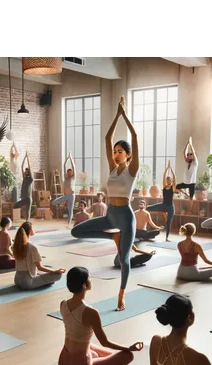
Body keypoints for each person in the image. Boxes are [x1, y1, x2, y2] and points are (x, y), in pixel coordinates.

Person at [71, 96, 139, 311]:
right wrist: (116, 115)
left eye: (120, 151)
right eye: (115, 151)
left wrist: (125, 115)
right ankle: (113, 236)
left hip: (126, 217)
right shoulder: (112, 167)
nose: (116, 154)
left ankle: (121, 294)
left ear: (128, 156)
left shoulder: (132, 169)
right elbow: (107, 137)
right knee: (76, 232)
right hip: (111, 215)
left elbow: (135, 136)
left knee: (124, 259)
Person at [58, 267, 143, 365]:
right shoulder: (90, 312)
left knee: (87, 344)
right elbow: (105, 342)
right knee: (128, 356)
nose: (91, 280)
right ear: (84, 285)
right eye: (89, 278)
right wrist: (128, 348)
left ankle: (97, 357)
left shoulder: (63, 304)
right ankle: (99, 358)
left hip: (63, 363)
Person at [12, 221, 65, 290]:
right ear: (30, 231)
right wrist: (55, 271)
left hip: (17, 279)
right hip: (27, 282)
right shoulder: (32, 247)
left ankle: (45, 281)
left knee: (43, 271)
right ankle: (47, 281)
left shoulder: (16, 246)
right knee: (58, 275)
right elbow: (40, 267)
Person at [146, 161, 176, 241]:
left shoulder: (173, 188)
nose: (169, 181)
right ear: (166, 181)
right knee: (148, 208)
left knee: (168, 222)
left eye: (170, 180)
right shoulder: (164, 186)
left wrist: (172, 170)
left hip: (170, 207)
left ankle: (167, 237)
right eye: (168, 180)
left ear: (172, 181)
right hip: (164, 205)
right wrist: (167, 169)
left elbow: (175, 178)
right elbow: (163, 176)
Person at [51, 152, 76, 227]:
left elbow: (73, 167)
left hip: (71, 196)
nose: (69, 173)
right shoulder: (66, 177)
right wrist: (66, 159)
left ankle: (68, 223)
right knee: (54, 202)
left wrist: (70, 158)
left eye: (70, 172)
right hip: (66, 195)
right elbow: (64, 166)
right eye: (68, 172)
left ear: (72, 173)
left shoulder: (73, 178)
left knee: (70, 210)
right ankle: (60, 205)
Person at [13, 151, 33, 222]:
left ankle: (27, 223)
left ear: (29, 172)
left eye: (26, 171)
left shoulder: (30, 179)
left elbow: (30, 167)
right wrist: (24, 157)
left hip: (28, 198)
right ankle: (16, 219)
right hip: (24, 198)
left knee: (28, 213)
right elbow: (22, 167)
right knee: (15, 205)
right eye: (25, 171)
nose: (25, 172)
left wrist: (28, 158)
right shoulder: (24, 178)